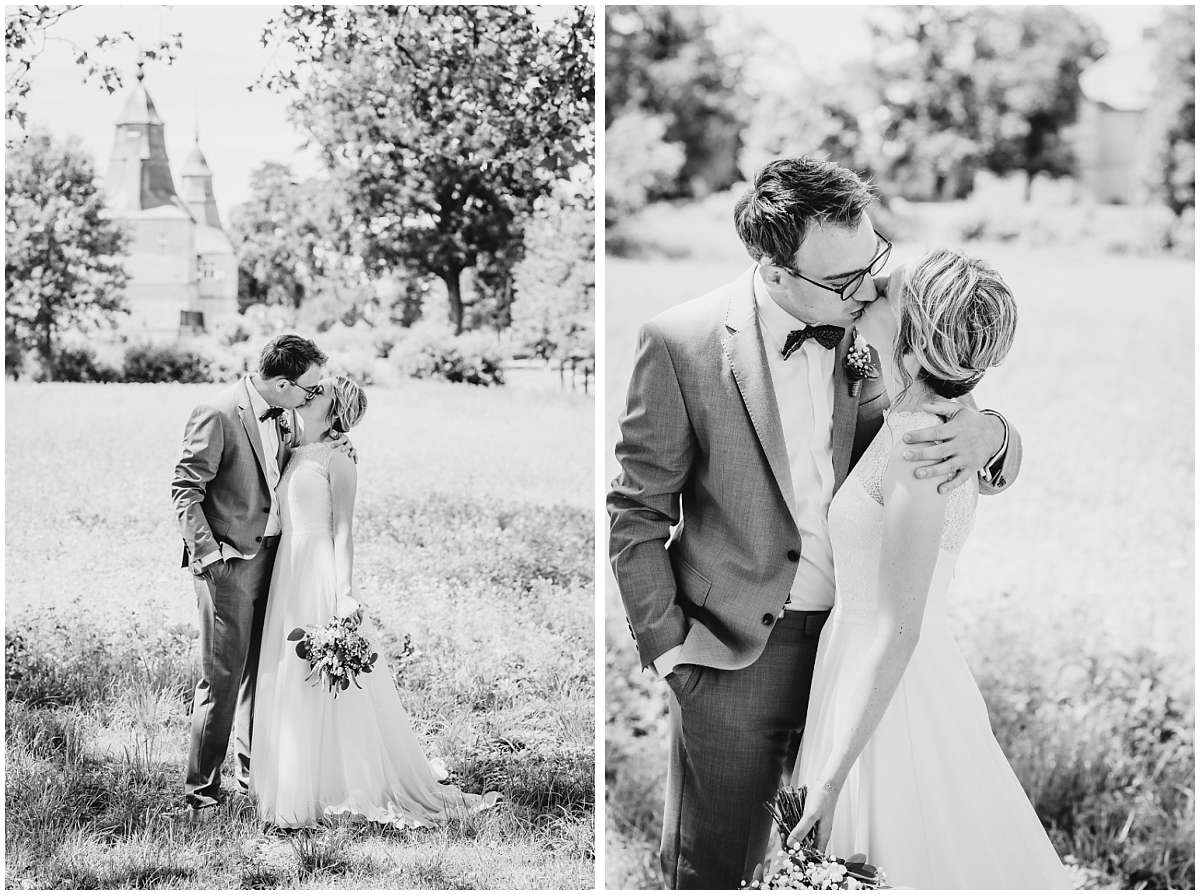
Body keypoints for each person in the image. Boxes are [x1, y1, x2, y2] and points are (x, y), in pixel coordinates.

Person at [607, 157, 1022, 888]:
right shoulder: (681, 344)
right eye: (841, 282)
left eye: (873, 266)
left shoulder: (881, 324)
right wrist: (672, 653)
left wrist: (991, 433)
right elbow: (636, 511)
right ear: (772, 266)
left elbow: (942, 400)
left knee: (847, 861)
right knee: (713, 869)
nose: (866, 292)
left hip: (856, 654)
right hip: (730, 659)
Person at [787, 249, 1070, 888]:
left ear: (913, 338)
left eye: (887, 289)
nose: (869, 287)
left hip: (894, 689)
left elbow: (899, 628)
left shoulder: (922, 449)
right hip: (861, 669)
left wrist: (831, 780)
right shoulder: (926, 425)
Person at [249, 375, 500, 828]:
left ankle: (340, 782)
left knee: (323, 681)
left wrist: (343, 593)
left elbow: (344, 530)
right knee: (290, 673)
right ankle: (294, 778)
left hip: (318, 572)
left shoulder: (338, 459)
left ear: (334, 410)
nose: (309, 392)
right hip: (287, 570)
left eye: (320, 392)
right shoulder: (292, 447)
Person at [172, 334, 328, 814]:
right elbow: (185, 489)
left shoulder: (285, 416)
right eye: (307, 388)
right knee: (221, 678)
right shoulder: (217, 412)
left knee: (262, 673)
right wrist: (209, 556)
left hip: (277, 561)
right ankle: (201, 792)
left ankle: (249, 773)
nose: (310, 396)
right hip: (229, 565)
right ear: (282, 383)